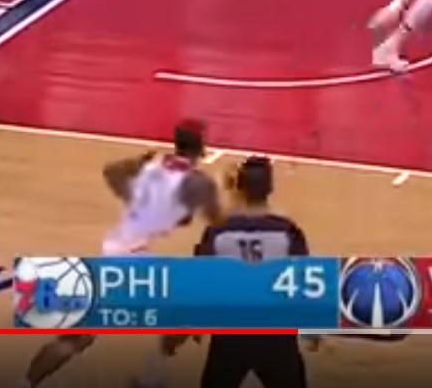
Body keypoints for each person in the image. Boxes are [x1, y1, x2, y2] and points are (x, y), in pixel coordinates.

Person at [17, 122, 223, 388]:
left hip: (115, 252)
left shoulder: (153, 167)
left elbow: (111, 172)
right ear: (201, 147)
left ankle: (24, 383)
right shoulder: (199, 183)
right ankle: (150, 377)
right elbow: (220, 224)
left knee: (77, 338)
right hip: (132, 261)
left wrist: (137, 163)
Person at [195, 157, 319, 388]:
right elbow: (305, 282)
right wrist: (311, 327)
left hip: (231, 335)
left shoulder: (218, 232)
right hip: (276, 335)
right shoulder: (287, 231)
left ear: (240, 187)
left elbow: (200, 284)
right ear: (270, 188)